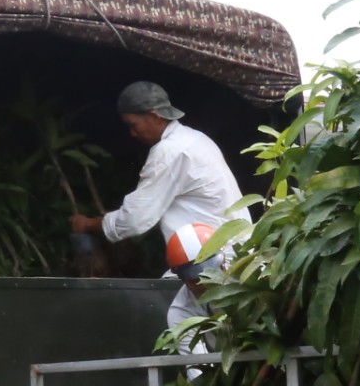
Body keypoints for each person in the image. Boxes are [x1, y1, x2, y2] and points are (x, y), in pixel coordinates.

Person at [70, 80, 246, 334]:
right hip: (237, 259)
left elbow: (134, 220)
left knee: (175, 323)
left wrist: (88, 224)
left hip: (212, 265)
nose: (132, 133)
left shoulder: (169, 152)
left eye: (133, 125)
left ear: (154, 116)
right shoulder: (197, 139)